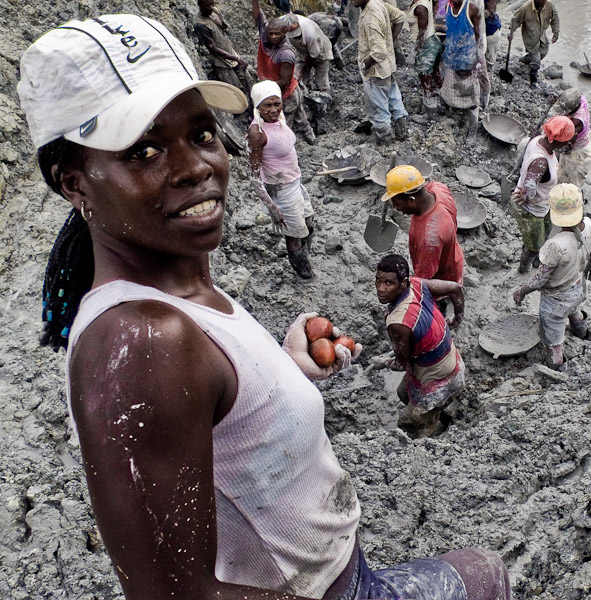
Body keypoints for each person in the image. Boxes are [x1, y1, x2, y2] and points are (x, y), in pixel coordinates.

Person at [19, 14, 511, 600]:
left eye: (201, 135)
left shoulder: (179, 291)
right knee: (485, 573)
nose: (195, 167)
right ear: (74, 182)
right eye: (144, 150)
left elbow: (215, 429)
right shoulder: (143, 345)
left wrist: (284, 369)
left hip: (340, 570)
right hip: (327, 590)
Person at [375, 255, 466, 438]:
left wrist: (383, 363)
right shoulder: (417, 284)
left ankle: (430, 434)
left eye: (388, 283)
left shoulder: (397, 322)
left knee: (407, 422)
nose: (381, 289)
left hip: (439, 375)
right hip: (450, 357)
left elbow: (402, 363)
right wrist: (457, 318)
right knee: (403, 392)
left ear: (403, 284)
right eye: (378, 281)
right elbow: (455, 288)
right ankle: (437, 412)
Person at [513, 184, 591, 371]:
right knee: (574, 309)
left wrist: (521, 291)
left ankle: (557, 366)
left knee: (554, 338)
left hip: (555, 300)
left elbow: (540, 279)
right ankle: (583, 333)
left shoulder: (556, 245)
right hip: (578, 286)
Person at [247, 81, 316, 279]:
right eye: (267, 105)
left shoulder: (280, 119)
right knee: (293, 236)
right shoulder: (257, 133)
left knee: (309, 223)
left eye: (277, 104)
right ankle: (304, 273)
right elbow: (254, 177)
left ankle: (305, 255)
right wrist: (272, 208)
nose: (273, 109)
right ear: (257, 107)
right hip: (281, 191)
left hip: (295, 182)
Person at [381, 166, 465, 286]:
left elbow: (423, 280)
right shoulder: (438, 188)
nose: (395, 208)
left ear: (412, 200)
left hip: (442, 281)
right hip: (453, 258)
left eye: (397, 203)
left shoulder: (429, 238)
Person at [512, 115, 574, 273]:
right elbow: (528, 192)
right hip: (531, 209)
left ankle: (536, 260)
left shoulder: (540, 139)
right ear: (557, 141)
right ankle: (523, 269)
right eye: (567, 140)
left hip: (544, 203)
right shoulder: (540, 163)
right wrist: (525, 195)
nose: (569, 143)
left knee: (545, 233)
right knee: (533, 245)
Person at [252, 0, 317, 143]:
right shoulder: (265, 34)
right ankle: (311, 137)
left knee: (283, 124)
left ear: (284, 34)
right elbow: (258, 16)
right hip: (285, 89)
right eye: (271, 34)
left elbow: (284, 81)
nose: (273, 37)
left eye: (277, 34)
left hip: (286, 92)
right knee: (301, 116)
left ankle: (287, 144)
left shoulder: (286, 53)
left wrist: (264, 92)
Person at [354, 0, 410, 144]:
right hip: (388, 66)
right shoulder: (378, 3)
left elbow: (379, 52)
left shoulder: (369, 17)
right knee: (394, 97)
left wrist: (365, 65)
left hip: (376, 71)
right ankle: (402, 131)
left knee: (379, 107)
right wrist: (390, 39)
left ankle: (385, 138)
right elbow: (400, 17)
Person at [439, 0, 490, 132]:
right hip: (452, 58)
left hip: (469, 58)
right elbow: (450, 30)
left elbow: (479, 36)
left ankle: (472, 125)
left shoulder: (472, 8)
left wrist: (479, 60)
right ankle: (454, 115)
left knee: (472, 94)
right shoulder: (447, 8)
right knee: (451, 89)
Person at [193, 0, 250, 101]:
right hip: (222, 62)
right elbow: (213, 49)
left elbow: (224, 29)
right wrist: (236, 58)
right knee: (235, 92)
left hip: (231, 53)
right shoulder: (200, 24)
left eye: (212, 4)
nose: (211, 7)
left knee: (247, 81)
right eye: (207, 5)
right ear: (200, 5)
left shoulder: (214, 11)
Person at [546, 88, 591, 188]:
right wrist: (557, 99)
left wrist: (549, 148)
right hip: (581, 140)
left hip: (577, 153)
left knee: (573, 183)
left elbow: (567, 148)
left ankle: (575, 199)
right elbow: (567, 98)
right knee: (562, 174)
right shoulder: (580, 98)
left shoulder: (575, 122)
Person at [508, 0, 560, 86]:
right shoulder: (525, 8)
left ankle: (525, 59)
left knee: (544, 52)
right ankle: (533, 80)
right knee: (536, 61)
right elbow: (515, 20)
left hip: (542, 34)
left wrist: (556, 31)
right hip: (530, 37)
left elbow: (555, 17)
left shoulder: (549, 5)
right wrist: (511, 32)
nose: (542, 3)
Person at [282, 12, 335, 91]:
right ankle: (305, 92)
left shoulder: (310, 33)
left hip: (321, 52)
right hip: (302, 53)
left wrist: (304, 68)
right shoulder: (281, 23)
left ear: (297, 24)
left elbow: (313, 55)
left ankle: (325, 95)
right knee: (298, 78)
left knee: (321, 80)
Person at [408, 0, 443, 110]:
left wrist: (413, 53)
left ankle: (430, 111)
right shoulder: (423, 2)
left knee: (426, 80)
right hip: (432, 41)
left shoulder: (421, 7)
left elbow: (422, 32)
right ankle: (443, 103)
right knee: (435, 78)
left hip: (426, 44)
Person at [484, 0, 502, 71]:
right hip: (491, 28)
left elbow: (492, 7)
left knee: (490, 53)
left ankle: (490, 69)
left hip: (491, 31)